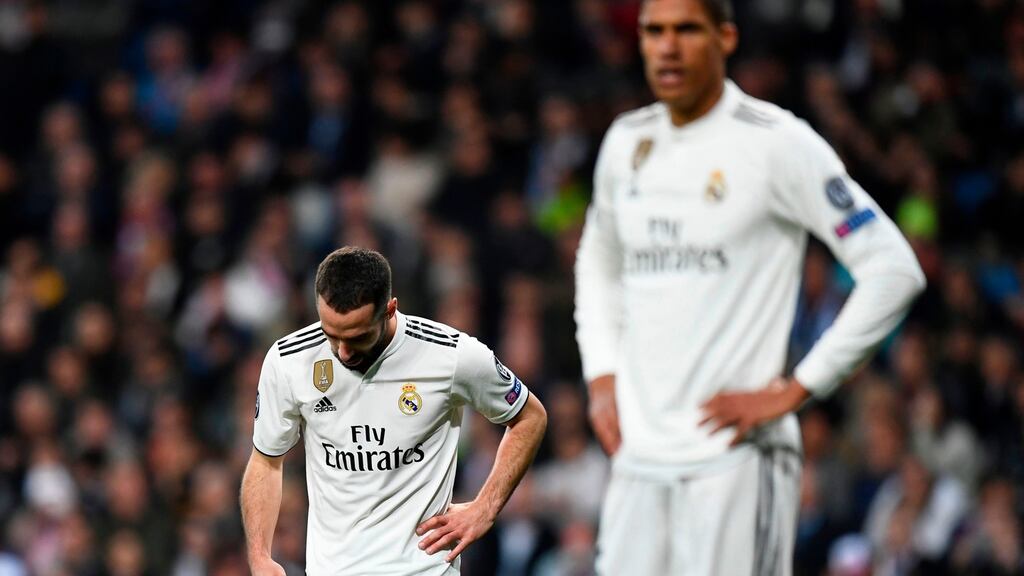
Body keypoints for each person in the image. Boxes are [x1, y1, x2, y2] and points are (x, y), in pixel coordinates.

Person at [573, 0, 926, 574]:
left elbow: (893, 269)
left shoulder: (776, 143)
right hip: (639, 461)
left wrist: (799, 387)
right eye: (654, 31)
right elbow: (598, 260)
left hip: (735, 463)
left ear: (726, 38)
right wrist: (601, 373)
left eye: (687, 30)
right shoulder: (626, 143)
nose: (668, 47)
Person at [240, 246, 547, 575]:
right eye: (331, 335)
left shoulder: (452, 356)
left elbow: (530, 416)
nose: (343, 352)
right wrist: (259, 555)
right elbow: (266, 461)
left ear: (389, 310)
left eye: (357, 337)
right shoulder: (289, 361)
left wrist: (486, 508)